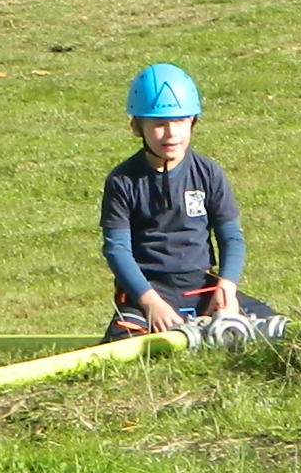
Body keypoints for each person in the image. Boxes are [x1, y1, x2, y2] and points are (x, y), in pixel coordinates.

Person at [100, 62, 283, 346]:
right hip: (148, 290)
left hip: (201, 287)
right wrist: (150, 303)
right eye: (159, 124)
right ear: (136, 127)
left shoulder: (208, 173)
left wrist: (227, 287)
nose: (171, 133)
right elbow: (117, 250)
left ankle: (205, 330)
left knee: (276, 328)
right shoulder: (122, 181)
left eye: (180, 122)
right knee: (123, 346)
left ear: (193, 122)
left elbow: (231, 237)